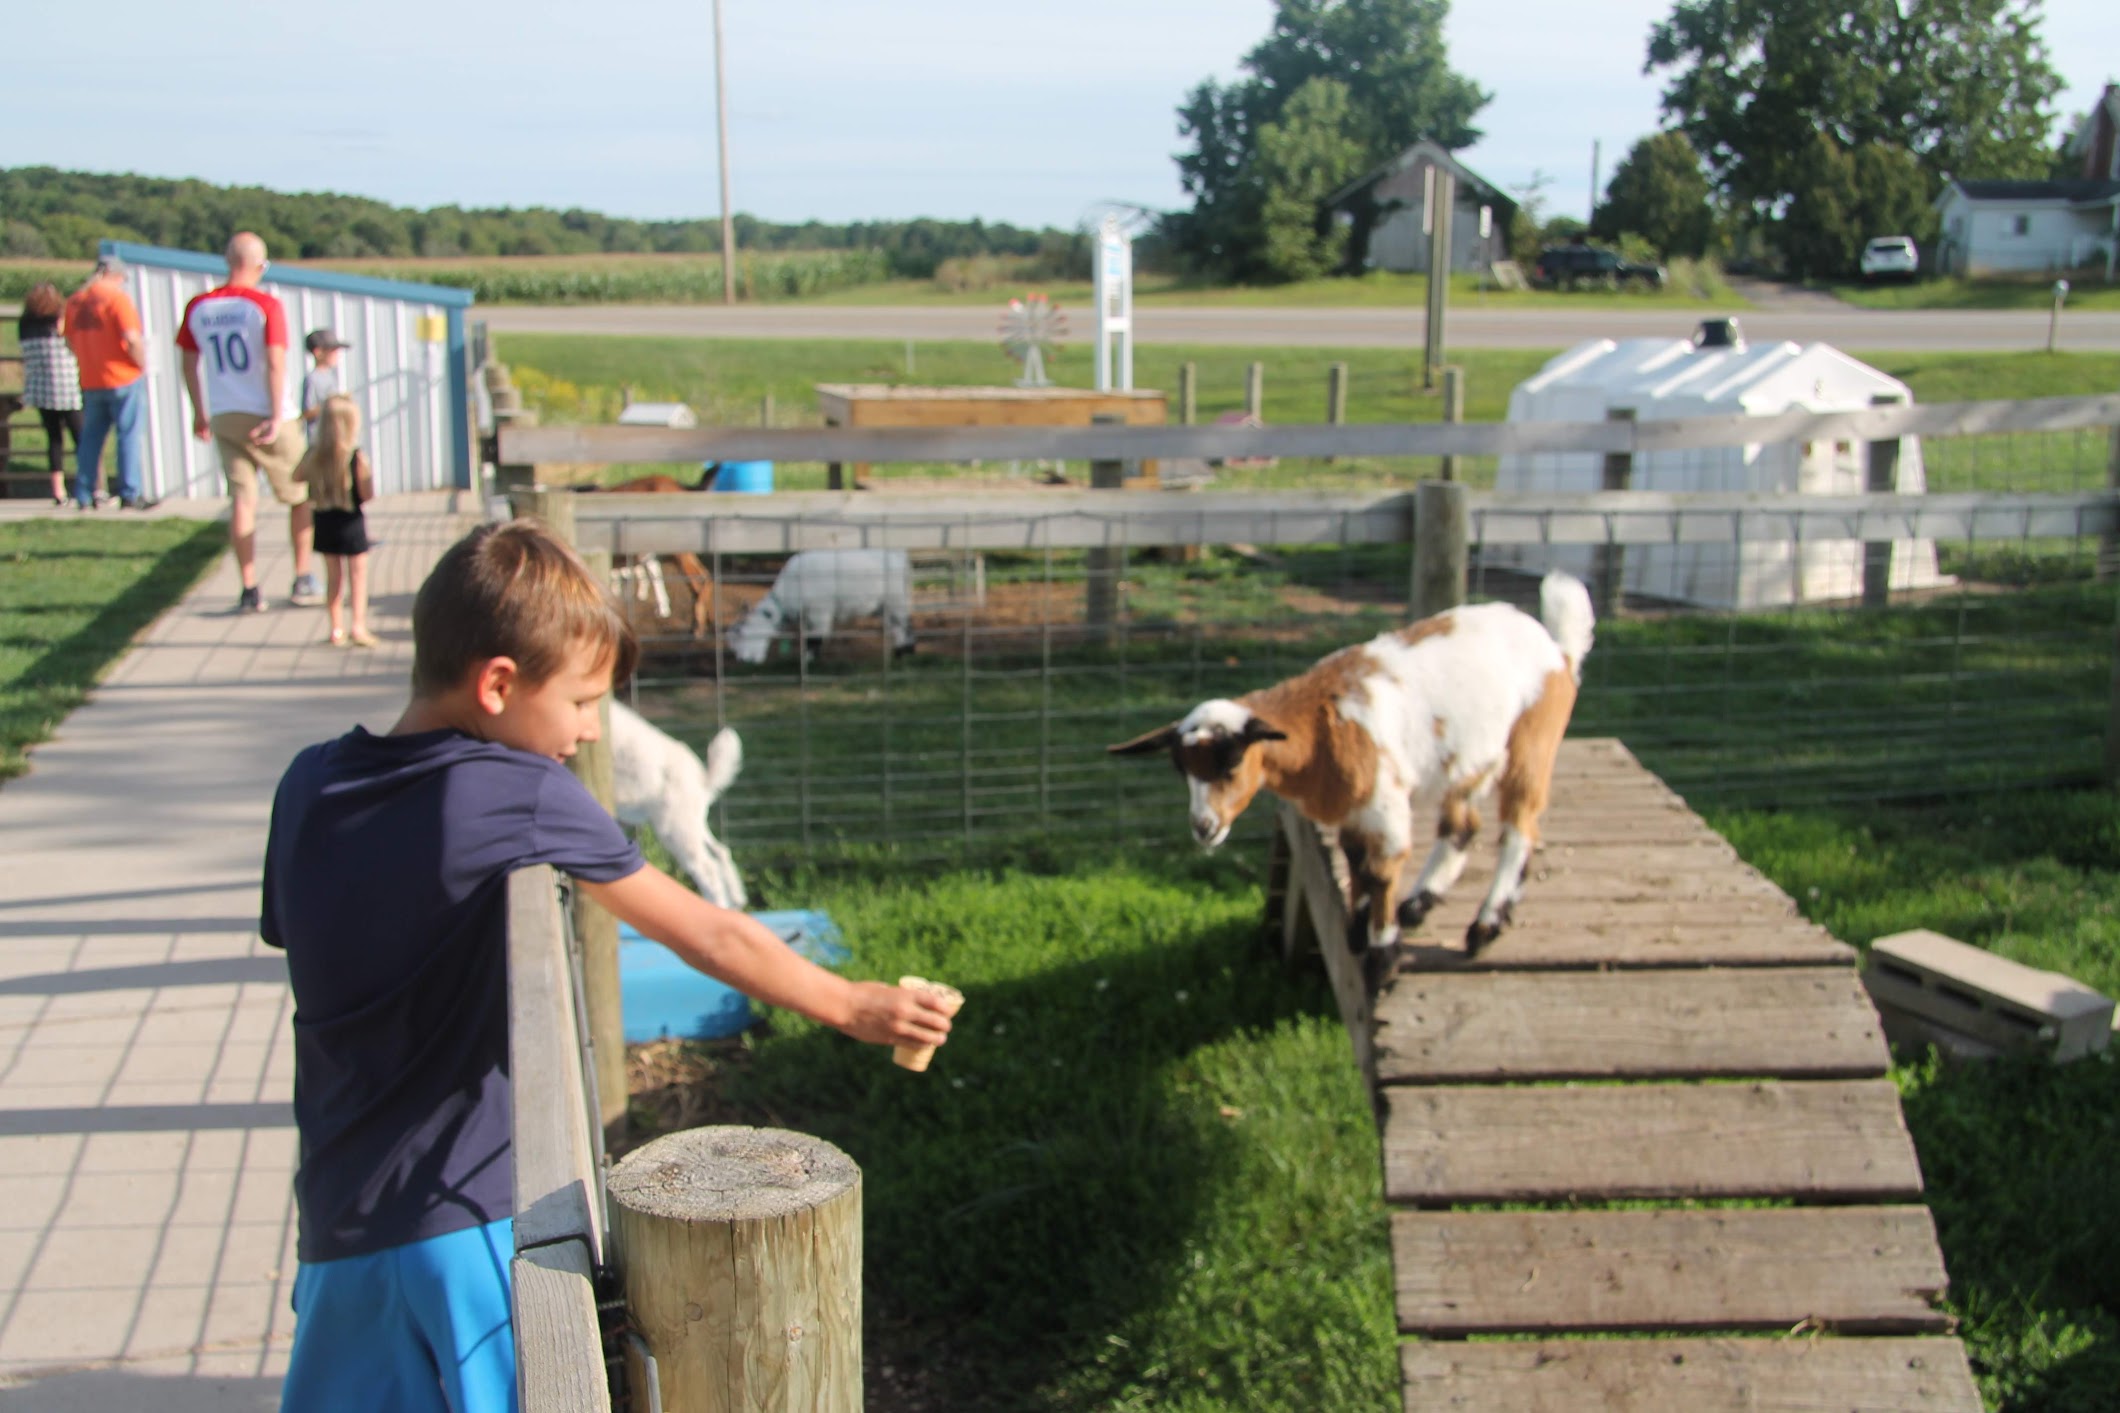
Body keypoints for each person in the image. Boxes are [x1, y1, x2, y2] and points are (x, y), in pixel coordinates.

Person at [260, 519, 954, 1412]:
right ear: (499, 685)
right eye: (585, 701)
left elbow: (308, 940)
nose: (591, 730)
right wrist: (854, 1006)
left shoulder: (309, 782)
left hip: (335, 1225)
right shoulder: (516, 789)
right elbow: (709, 932)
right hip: (466, 1223)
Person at [176, 232, 321, 614]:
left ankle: (249, 585)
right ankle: (303, 575)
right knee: (300, 495)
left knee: (242, 499)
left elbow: (189, 362)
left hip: (226, 413)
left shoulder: (199, 306)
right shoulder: (264, 306)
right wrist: (276, 414)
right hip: (268, 414)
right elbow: (275, 362)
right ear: (259, 266)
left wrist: (200, 411)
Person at [62, 254, 151, 510]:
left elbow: (69, 340)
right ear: (117, 275)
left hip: (91, 378)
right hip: (122, 376)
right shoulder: (117, 299)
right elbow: (132, 339)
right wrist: (141, 364)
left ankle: (84, 492)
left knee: (90, 438)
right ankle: (129, 492)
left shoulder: (76, 301)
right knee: (128, 435)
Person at [294, 394, 377, 648]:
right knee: (358, 575)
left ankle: (335, 627)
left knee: (334, 577)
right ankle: (358, 626)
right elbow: (367, 494)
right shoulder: (355, 458)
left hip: (324, 519)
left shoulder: (314, 456)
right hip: (351, 520)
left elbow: (296, 476)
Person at [17, 282, 85, 507]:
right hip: (68, 386)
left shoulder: (25, 324)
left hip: (40, 387)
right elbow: (69, 340)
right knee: (81, 437)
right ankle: (88, 486)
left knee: (54, 439)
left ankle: (58, 490)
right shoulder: (58, 318)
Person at [301, 328, 350, 434]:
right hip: (318, 438)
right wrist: (331, 404)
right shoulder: (312, 378)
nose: (337, 355)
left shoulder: (330, 376)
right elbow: (306, 413)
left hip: (333, 434)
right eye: (333, 350)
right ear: (318, 352)